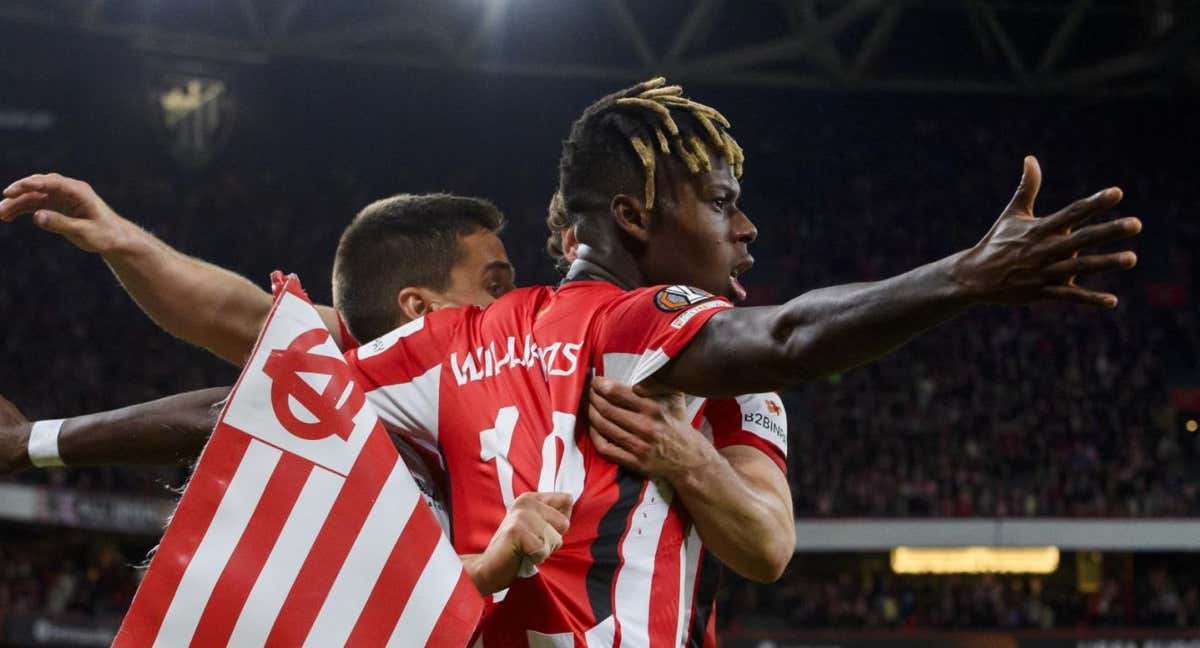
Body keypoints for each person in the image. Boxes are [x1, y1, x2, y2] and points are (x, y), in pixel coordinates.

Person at [0, 77, 1140, 645]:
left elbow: (254, 392)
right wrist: (962, 278)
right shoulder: (668, 323)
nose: (748, 231)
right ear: (638, 215)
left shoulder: (456, 341)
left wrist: (45, 428)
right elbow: (794, 335)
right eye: (724, 201)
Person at [0, 185, 789, 642]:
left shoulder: (613, 355)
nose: (511, 304)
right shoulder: (416, 379)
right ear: (419, 307)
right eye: (494, 282)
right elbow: (240, 366)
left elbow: (769, 545)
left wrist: (121, 242)